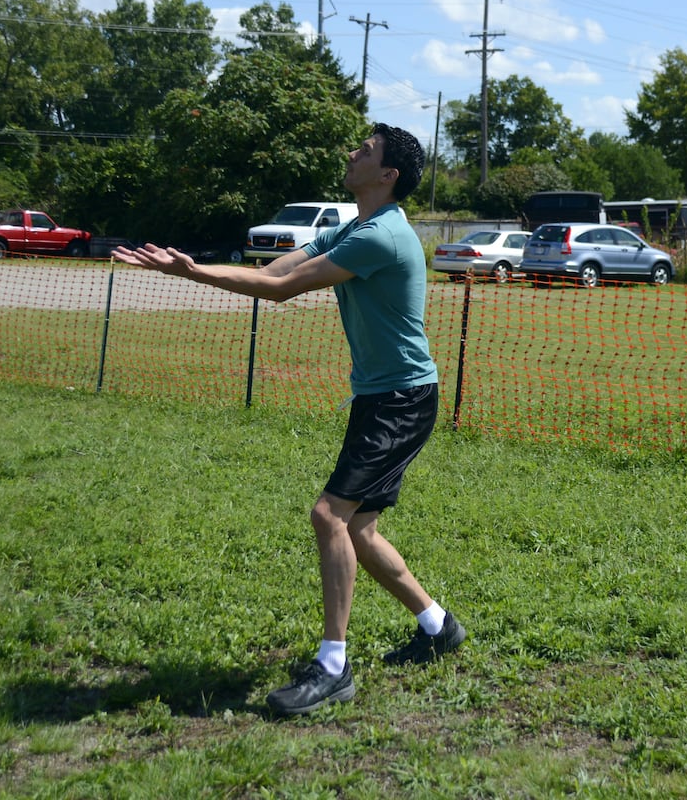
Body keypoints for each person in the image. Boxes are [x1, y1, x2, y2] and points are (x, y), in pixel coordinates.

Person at [111, 123, 464, 717]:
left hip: (401, 399)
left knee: (330, 515)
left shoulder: (381, 236)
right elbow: (274, 273)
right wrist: (195, 265)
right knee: (358, 530)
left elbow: (282, 292)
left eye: (365, 151)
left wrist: (189, 273)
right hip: (387, 396)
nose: (351, 153)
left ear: (388, 176)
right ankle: (437, 625)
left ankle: (333, 667)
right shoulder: (349, 227)